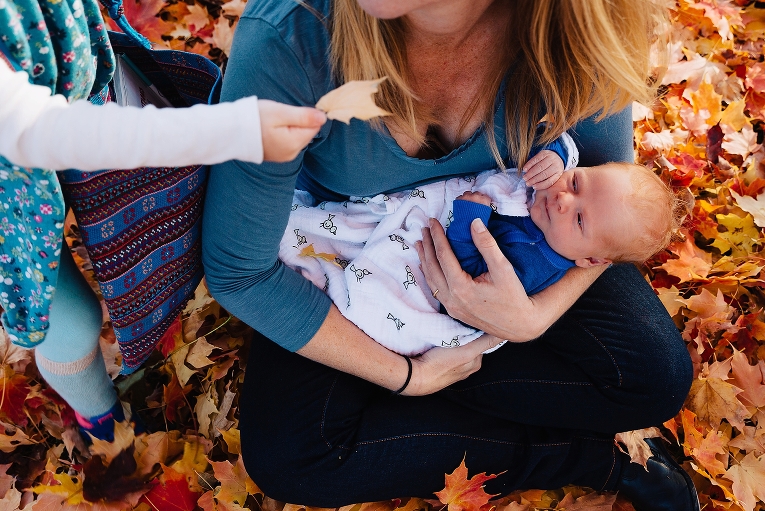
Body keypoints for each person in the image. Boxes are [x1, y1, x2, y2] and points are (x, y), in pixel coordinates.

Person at [202, 0, 698, 510]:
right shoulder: (292, 37)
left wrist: (530, 319)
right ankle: (590, 460)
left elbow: (601, 185)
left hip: (532, 234)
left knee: (653, 377)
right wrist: (407, 374)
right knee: (295, 457)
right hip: (353, 255)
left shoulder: (574, 21)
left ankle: (413, 416)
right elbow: (241, 272)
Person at [0, 0, 326, 441]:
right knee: (70, 321)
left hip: (58, 80)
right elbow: (53, 133)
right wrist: (230, 130)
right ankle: (99, 414)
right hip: (11, 197)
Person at [279, 142, 682, 356]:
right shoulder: (552, 190)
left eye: (579, 220)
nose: (562, 199)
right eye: (576, 184)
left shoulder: (533, 263)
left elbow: (470, 273)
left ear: (590, 261)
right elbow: (569, 144)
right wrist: (556, 158)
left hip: (436, 265)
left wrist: (471, 217)